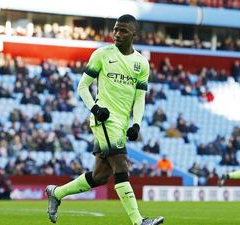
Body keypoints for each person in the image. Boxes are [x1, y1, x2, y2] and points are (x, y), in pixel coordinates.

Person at [45, 15, 164, 225]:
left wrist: (136, 123)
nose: (117, 34)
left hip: (121, 122)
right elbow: (82, 86)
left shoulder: (141, 63)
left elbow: (140, 97)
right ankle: (138, 221)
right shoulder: (101, 54)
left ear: (134, 34)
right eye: (116, 29)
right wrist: (96, 108)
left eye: (123, 31)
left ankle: (57, 192)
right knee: (121, 165)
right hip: (104, 119)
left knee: (100, 176)